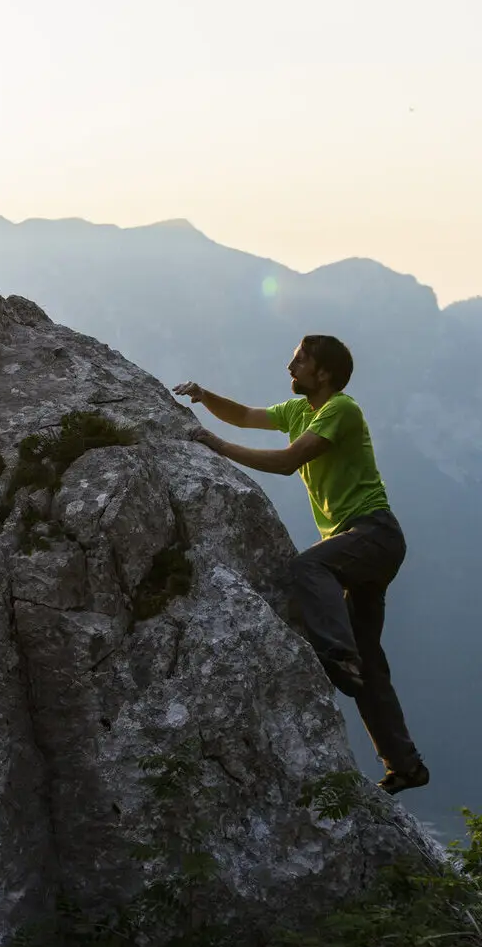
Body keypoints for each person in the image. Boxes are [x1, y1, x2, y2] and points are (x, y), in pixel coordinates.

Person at [173, 334, 428, 796]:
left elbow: (290, 461)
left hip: (373, 535)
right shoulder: (297, 412)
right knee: (370, 664)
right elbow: (247, 416)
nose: (290, 368)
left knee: (309, 568)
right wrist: (205, 397)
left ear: (323, 373)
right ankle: (405, 764)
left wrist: (217, 446)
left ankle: (337, 653)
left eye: (299, 362)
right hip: (359, 543)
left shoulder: (340, 410)